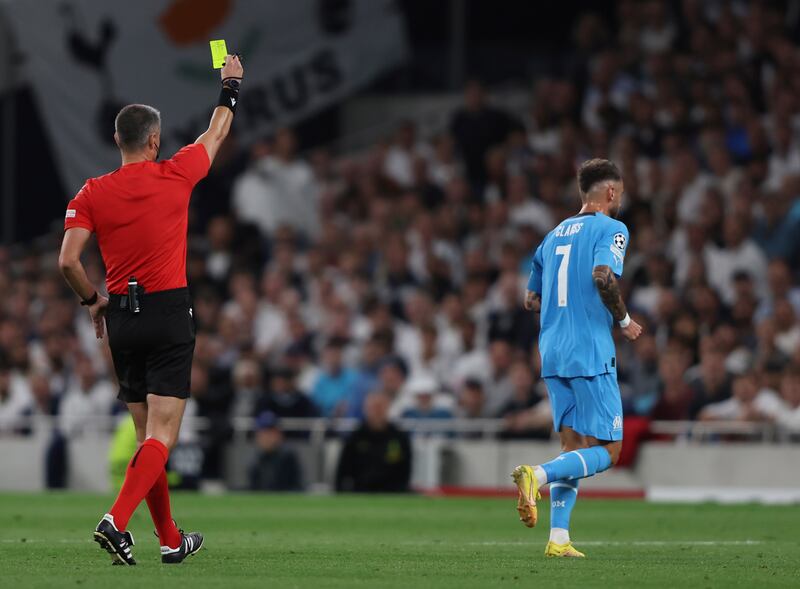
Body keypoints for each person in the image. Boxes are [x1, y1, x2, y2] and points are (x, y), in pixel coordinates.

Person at [57, 53, 244, 565]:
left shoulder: (92, 192)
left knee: (145, 440)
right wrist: (229, 85)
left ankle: (169, 539)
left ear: (118, 140)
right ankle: (115, 521)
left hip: (121, 317)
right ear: (155, 141)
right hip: (167, 312)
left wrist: (93, 301)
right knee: (163, 436)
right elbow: (217, 132)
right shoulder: (176, 174)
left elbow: (68, 261)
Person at [513, 159, 642, 558]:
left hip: (552, 350)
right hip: (589, 350)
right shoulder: (612, 228)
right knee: (610, 450)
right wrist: (623, 319)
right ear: (611, 193)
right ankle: (537, 475)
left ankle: (559, 538)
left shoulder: (550, 238)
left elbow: (530, 299)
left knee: (572, 445)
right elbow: (603, 276)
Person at [335, 392, 412, 493]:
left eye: (380, 407)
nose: (377, 411)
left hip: (392, 492)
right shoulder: (356, 437)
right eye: (374, 407)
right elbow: (343, 469)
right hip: (360, 491)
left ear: (388, 408)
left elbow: (405, 469)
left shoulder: (399, 437)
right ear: (366, 409)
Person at [248, 411, 303, 492]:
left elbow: (295, 486)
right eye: (264, 432)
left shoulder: (288, 456)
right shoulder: (255, 459)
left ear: (279, 434)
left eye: (271, 432)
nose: (267, 437)